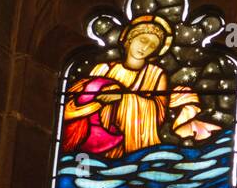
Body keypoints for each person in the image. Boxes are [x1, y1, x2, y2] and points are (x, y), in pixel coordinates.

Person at [63, 15, 172, 159]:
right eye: (143, 40)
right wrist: (98, 102)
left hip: (131, 143)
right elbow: (81, 99)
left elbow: (159, 113)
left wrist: (123, 98)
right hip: (95, 143)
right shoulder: (102, 69)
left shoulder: (156, 74)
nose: (145, 48)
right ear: (130, 39)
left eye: (152, 46)